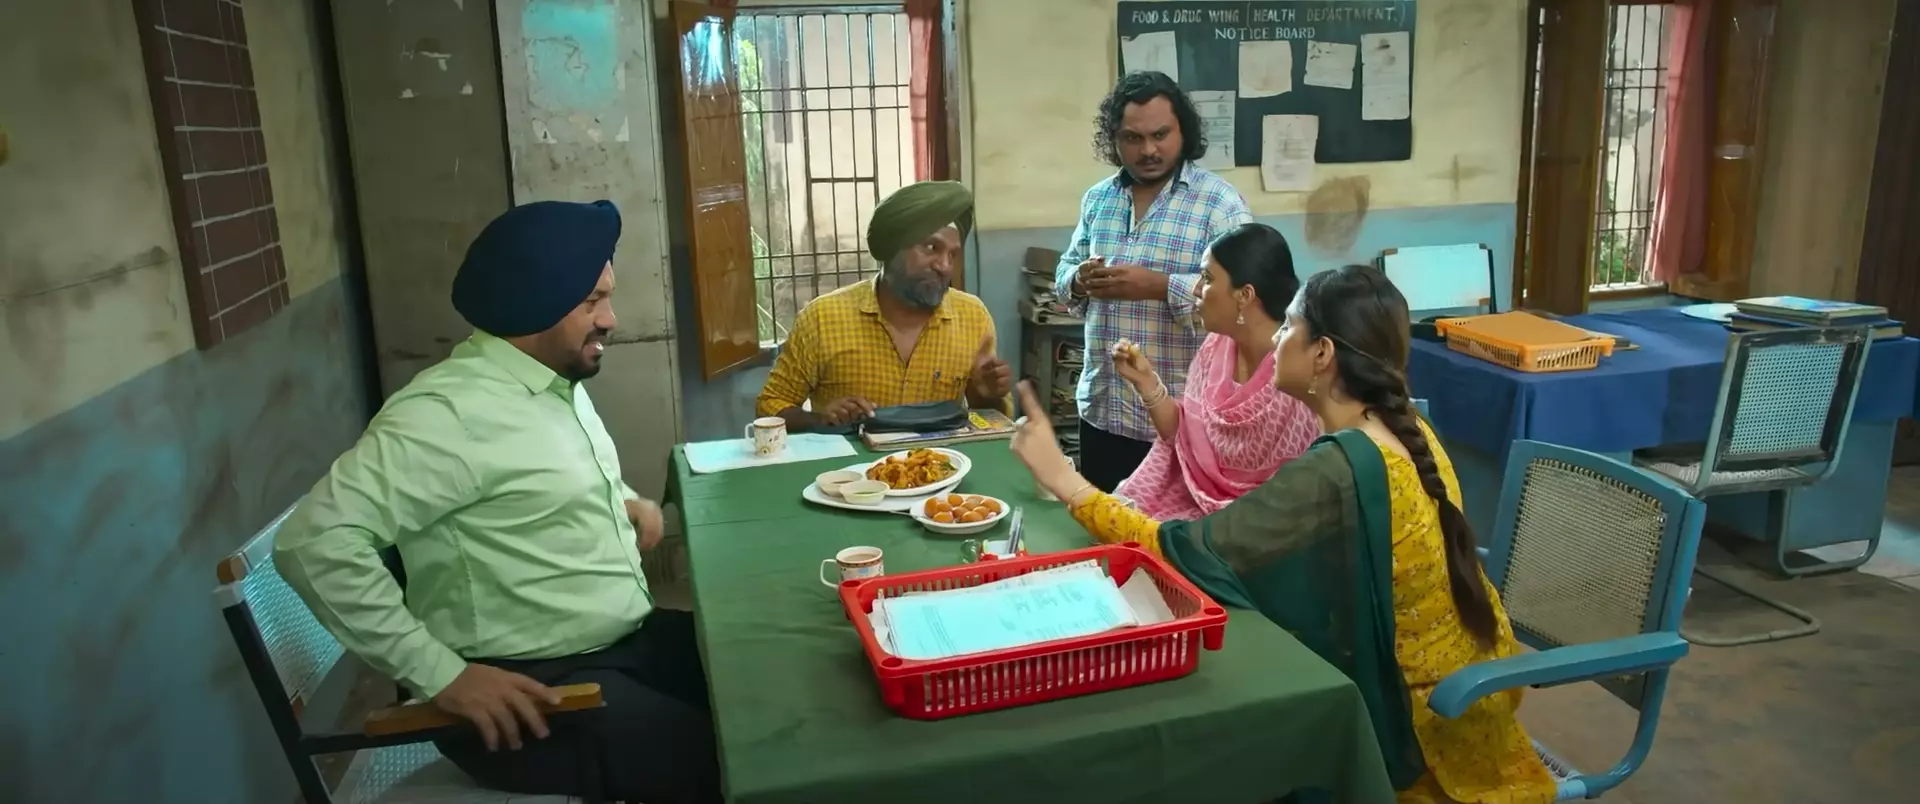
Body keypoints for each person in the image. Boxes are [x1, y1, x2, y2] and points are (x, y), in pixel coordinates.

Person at [1010, 264, 1557, 804]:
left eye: (1289, 326)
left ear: (1322, 353)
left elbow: (1185, 554)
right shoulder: (1404, 430)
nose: (1275, 338)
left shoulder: (1338, 469)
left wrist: (1066, 481)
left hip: (1415, 730)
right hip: (1469, 695)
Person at [275, 200, 721, 804]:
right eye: (592, 301)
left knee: (760, 679)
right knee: (734, 760)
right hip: (524, 696)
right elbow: (313, 542)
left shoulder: (548, 381)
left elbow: (534, 478)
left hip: (619, 646)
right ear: (538, 300)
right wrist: (443, 676)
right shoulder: (447, 415)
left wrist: (619, 501)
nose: (611, 319)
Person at [1055, 70, 1254, 492]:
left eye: (1161, 135)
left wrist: (1161, 287)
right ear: (1114, 139)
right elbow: (1065, 270)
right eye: (1133, 138)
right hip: (1103, 410)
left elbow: (1244, 306)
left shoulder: (1220, 205)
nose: (1148, 150)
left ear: (1184, 131)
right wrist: (1079, 278)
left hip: (1180, 420)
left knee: (1171, 532)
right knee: (1104, 526)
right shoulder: (1098, 199)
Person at [757, 180, 1012, 431]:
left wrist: (989, 396)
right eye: (931, 247)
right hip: (851, 460)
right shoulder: (822, 319)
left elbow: (991, 420)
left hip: (940, 458)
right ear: (892, 249)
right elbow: (770, 405)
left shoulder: (972, 317)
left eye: (952, 255)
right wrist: (820, 419)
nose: (944, 266)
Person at [1110, 223, 1320, 520]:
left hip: (1263, 522)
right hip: (1193, 502)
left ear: (1244, 295)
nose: (1196, 288)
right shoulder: (1215, 348)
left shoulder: (1297, 371)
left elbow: (1301, 496)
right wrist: (1147, 383)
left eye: (1207, 278)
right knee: (1116, 523)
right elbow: (1183, 441)